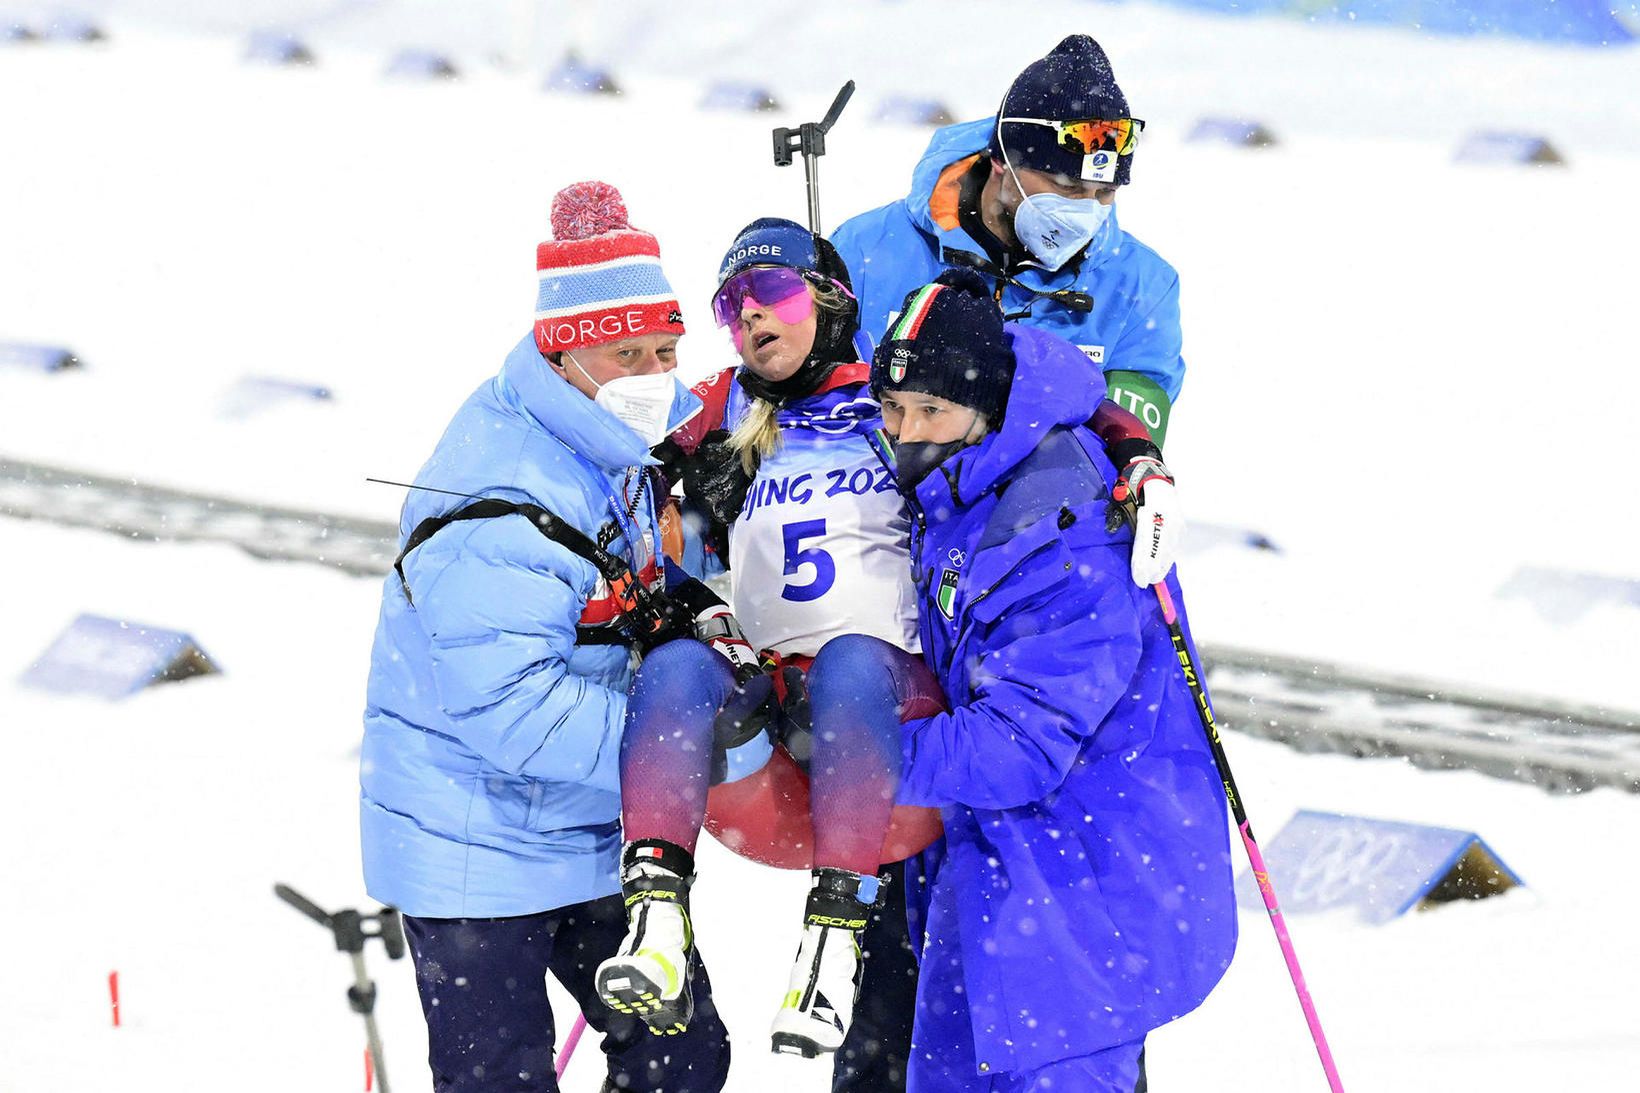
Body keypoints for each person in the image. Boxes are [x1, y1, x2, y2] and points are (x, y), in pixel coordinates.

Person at [359, 181, 732, 1093]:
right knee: (500, 1081)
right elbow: (511, 708)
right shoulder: (504, 498)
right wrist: (684, 753)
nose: (655, 373)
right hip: (472, 842)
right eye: (628, 351)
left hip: (581, 824)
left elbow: (626, 581)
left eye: (665, 349)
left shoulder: (604, 437)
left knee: (681, 1053)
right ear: (566, 353)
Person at [863, 269, 1238, 1093]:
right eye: (894, 410)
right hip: (998, 871)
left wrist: (862, 753)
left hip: (1086, 889)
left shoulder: (1064, 534)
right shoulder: (972, 477)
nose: (906, 431)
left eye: (931, 411)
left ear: (990, 408)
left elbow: (1016, 747)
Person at [593, 217, 945, 1078]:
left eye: (773, 293)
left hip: (888, 747)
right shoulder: (725, 406)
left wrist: (1137, 459)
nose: (751, 316)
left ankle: (831, 946)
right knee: (676, 667)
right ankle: (656, 923)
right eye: (732, 304)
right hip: (775, 753)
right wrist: (675, 578)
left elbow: (1046, 400)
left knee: (853, 660)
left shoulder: (891, 395)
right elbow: (610, 459)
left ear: (830, 300)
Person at [833, 33, 1185, 447]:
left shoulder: (1141, 285)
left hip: (1039, 508)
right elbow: (813, 402)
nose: (1087, 211)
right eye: (1067, 186)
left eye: (1105, 193)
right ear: (1003, 162)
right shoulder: (865, 248)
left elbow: (1122, 446)